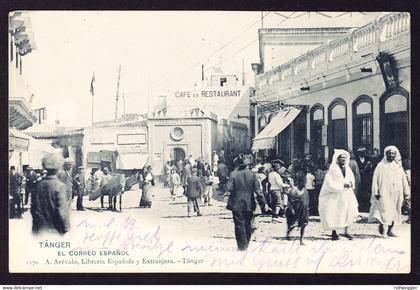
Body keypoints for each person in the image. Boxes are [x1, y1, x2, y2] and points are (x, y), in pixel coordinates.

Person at [227, 154, 268, 251]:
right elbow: (258, 191)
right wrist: (265, 203)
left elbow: (228, 188)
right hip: (249, 203)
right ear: (248, 165)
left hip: (236, 203)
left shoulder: (233, 174)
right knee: (248, 223)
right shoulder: (253, 175)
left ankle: (242, 246)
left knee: (239, 224)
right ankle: (246, 243)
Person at [368, 146, 410, 238]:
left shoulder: (398, 167)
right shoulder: (381, 166)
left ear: (395, 155)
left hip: (396, 194)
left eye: (393, 153)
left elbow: (404, 180)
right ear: (385, 154)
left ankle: (391, 230)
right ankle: (384, 232)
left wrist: (407, 193)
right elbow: (375, 180)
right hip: (384, 192)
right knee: (385, 211)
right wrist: (376, 192)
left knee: (394, 212)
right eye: (389, 153)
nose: (391, 155)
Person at [318, 149, 359, 241]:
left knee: (347, 212)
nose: (343, 160)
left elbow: (352, 178)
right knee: (335, 213)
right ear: (337, 159)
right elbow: (328, 183)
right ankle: (334, 232)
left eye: (345, 158)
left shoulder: (347, 168)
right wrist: (341, 185)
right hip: (335, 196)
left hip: (347, 194)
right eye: (341, 158)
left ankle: (346, 231)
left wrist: (351, 184)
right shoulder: (332, 169)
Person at [31, 153, 70, 235]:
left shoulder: (38, 185)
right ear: (58, 169)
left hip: (38, 230)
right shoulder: (60, 186)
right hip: (54, 231)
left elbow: (33, 209)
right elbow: (61, 212)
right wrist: (66, 228)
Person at [285, 170, 309, 245]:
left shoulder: (305, 190)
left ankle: (301, 240)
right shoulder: (294, 190)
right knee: (293, 224)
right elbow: (290, 200)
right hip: (295, 210)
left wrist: (307, 209)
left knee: (304, 224)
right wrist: (291, 209)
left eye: (304, 182)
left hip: (304, 210)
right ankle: (288, 233)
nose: (303, 184)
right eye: (302, 182)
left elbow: (307, 201)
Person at [355, 147, 373, 212]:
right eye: (361, 152)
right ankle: (360, 208)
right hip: (359, 178)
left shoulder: (368, 159)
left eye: (363, 152)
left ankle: (366, 208)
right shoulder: (356, 160)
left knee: (367, 193)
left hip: (367, 179)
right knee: (360, 193)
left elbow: (371, 167)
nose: (362, 153)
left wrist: (369, 166)